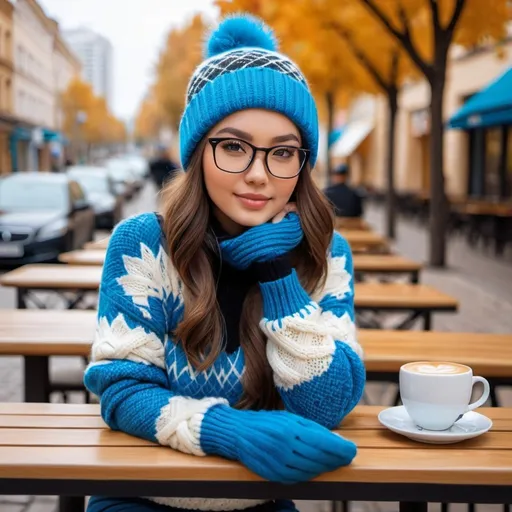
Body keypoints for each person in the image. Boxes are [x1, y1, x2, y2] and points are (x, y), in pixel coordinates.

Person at [84, 14, 365, 512]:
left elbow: (328, 406)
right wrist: (226, 430)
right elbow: (122, 391)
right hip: (142, 496)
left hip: (260, 502)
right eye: (233, 147)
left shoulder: (326, 253)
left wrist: (278, 272)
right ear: (197, 154)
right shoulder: (145, 244)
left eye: (282, 152)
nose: (258, 174)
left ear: (302, 162)